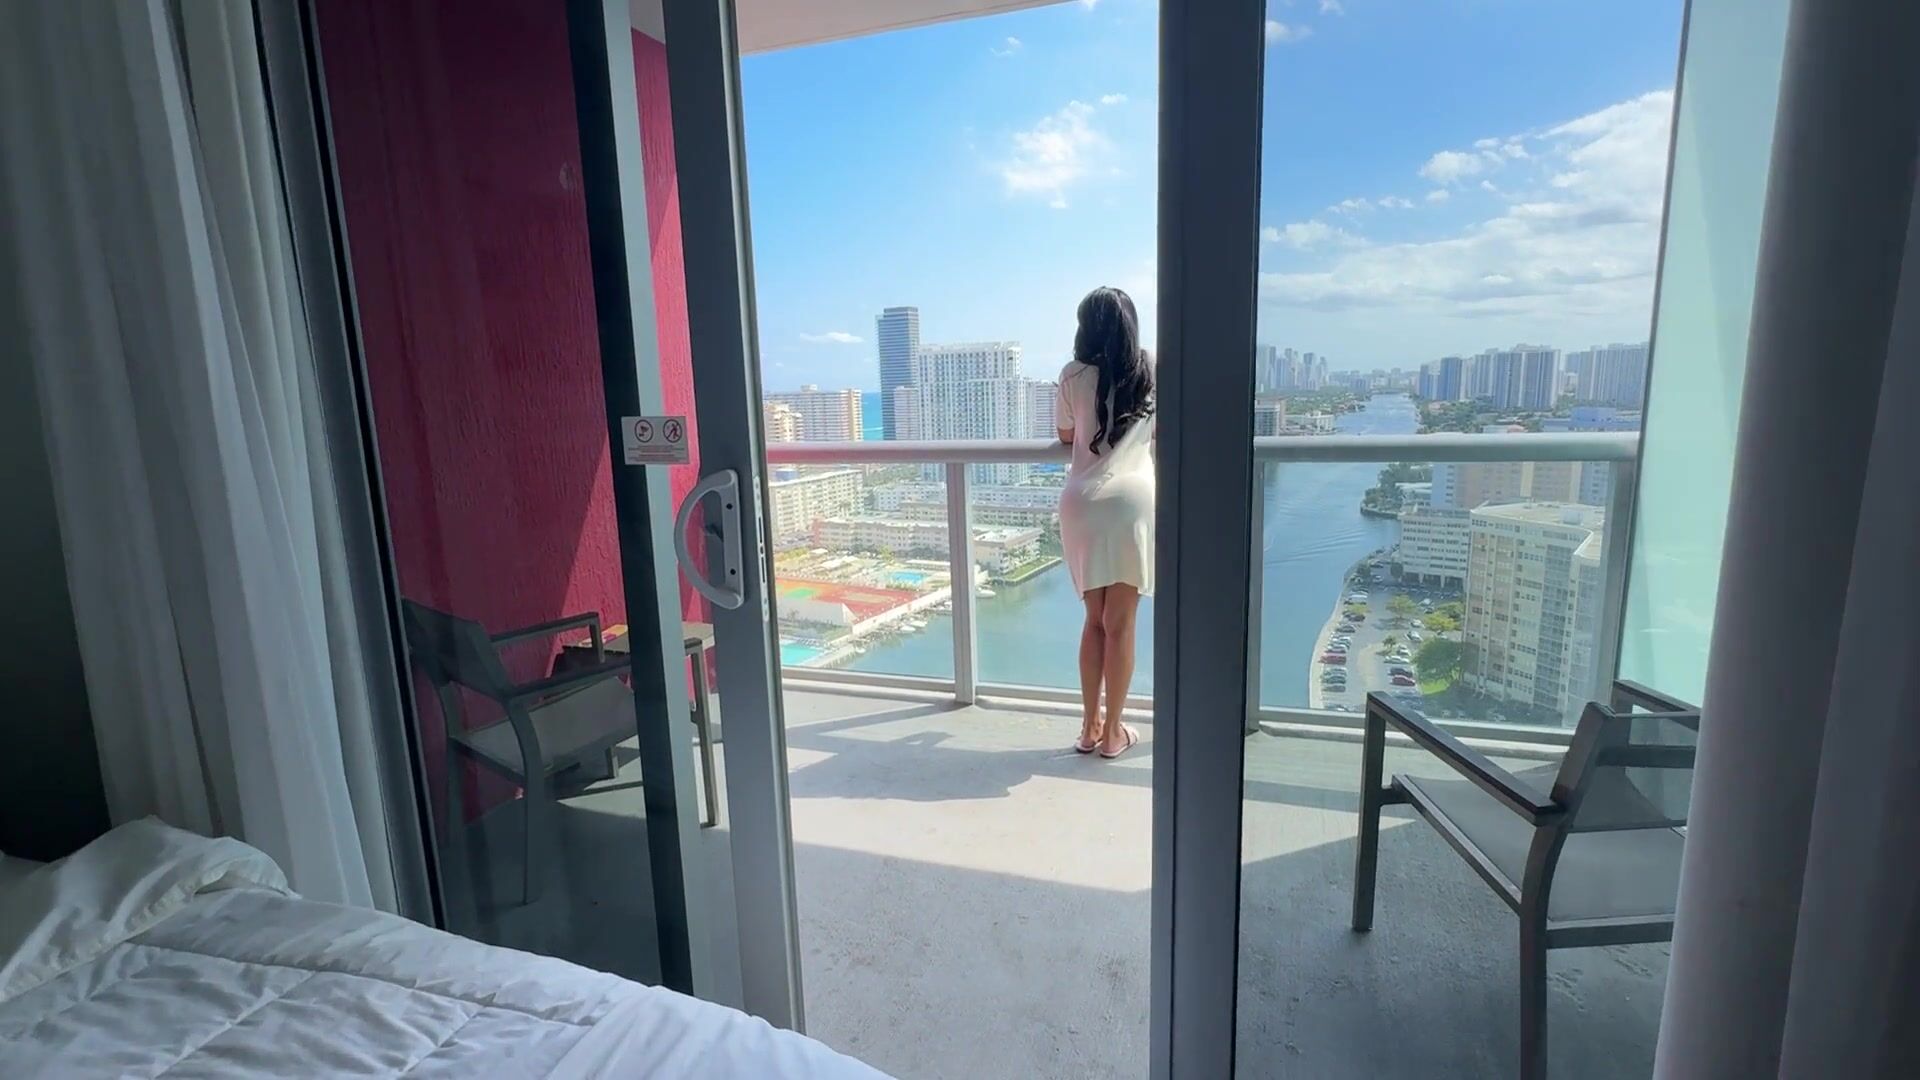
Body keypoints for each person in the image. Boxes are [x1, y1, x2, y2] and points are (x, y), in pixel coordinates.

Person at [1055, 286, 1154, 759]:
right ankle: (1114, 732)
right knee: (1122, 623)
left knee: (1093, 621)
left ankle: (1088, 727)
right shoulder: (1151, 367)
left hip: (1081, 503)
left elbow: (1066, 434)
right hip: (1132, 502)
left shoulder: (1072, 374)